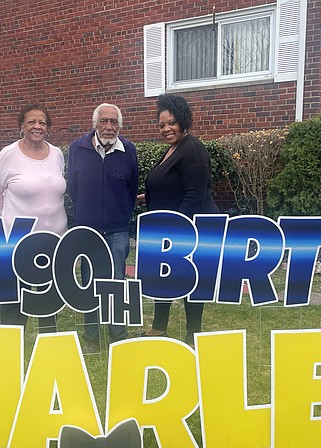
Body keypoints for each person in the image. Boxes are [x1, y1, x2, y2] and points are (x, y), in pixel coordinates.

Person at [141, 94, 219, 345]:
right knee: (163, 276)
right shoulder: (173, 150)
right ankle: (159, 327)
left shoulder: (192, 149)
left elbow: (195, 194)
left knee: (191, 281)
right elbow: (167, 187)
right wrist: (139, 198)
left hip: (190, 230)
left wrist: (178, 229)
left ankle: (192, 334)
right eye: (162, 124)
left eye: (171, 123)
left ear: (183, 121)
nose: (166, 129)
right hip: (169, 229)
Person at [0, 103, 67, 332]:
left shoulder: (57, 155)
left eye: (42, 122)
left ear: (48, 127)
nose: (37, 126)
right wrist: (7, 219)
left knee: (49, 296)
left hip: (54, 239)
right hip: (19, 240)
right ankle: (12, 343)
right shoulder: (9, 155)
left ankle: (48, 342)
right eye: (31, 121)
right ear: (22, 126)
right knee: (15, 297)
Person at [68, 103, 139, 348]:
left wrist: (119, 215)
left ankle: (117, 336)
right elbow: (73, 188)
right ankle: (91, 337)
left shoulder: (128, 150)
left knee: (117, 281)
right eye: (104, 121)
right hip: (88, 232)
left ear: (119, 125)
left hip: (117, 231)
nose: (109, 126)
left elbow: (132, 190)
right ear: (95, 123)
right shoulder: (77, 148)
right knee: (89, 282)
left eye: (113, 122)